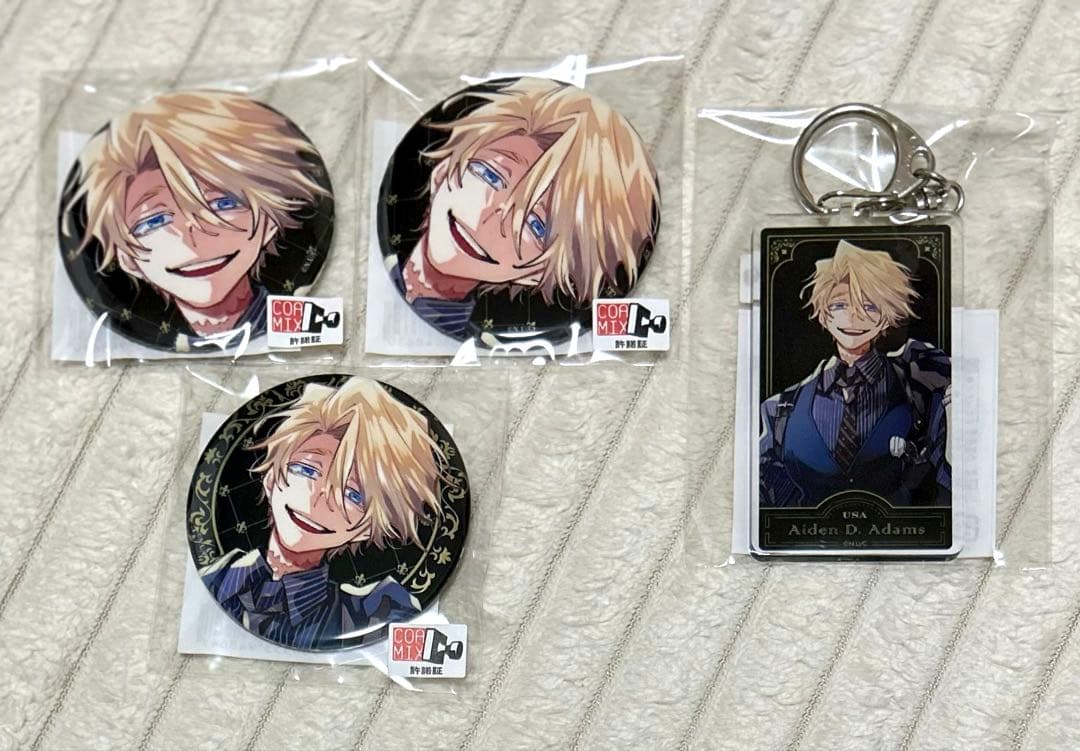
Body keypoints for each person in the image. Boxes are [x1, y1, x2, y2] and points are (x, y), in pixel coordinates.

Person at [390, 77, 659, 339]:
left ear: (536, 274)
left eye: (536, 224)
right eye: (491, 175)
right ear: (441, 172)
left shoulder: (483, 336)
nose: (490, 219)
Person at [64, 90, 329, 347]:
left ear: (269, 222)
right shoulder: (137, 334)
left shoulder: (303, 317)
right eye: (154, 221)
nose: (193, 238)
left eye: (223, 204)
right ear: (127, 259)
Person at [199, 378, 446, 649]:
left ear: (366, 528)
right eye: (306, 470)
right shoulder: (216, 576)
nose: (319, 500)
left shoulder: (375, 612)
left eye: (353, 495)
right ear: (270, 477)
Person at [759, 240, 951, 508]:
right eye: (839, 305)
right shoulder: (781, 409)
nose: (853, 318)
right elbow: (764, 495)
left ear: (886, 317)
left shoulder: (919, 385)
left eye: (869, 307)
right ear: (823, 313)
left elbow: (947, 483)